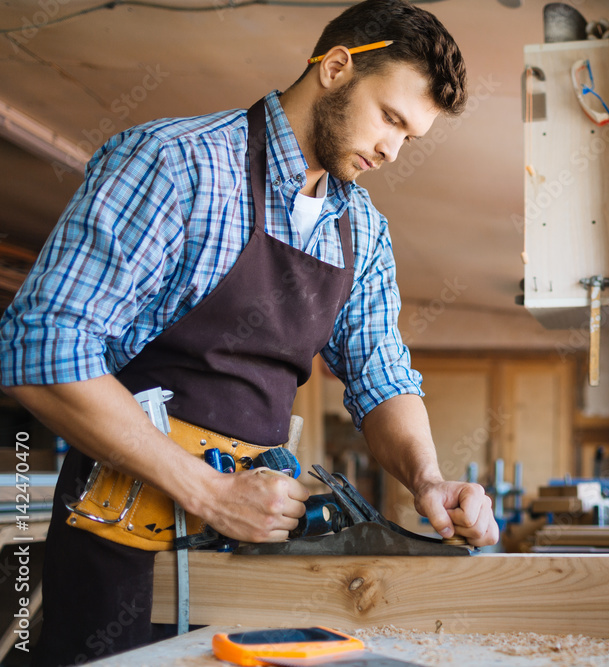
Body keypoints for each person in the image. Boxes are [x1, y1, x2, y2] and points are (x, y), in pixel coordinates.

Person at [0, 0, 499, 662]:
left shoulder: (364, 233)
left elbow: (381, 377)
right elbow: (40, 348)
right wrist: (206, 489)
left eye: (411, 136)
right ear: (338, 68)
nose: (391, 149)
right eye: (390, 118)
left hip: (248, 546)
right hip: (122, 540)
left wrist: (429, 479)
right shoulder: (176, 166)